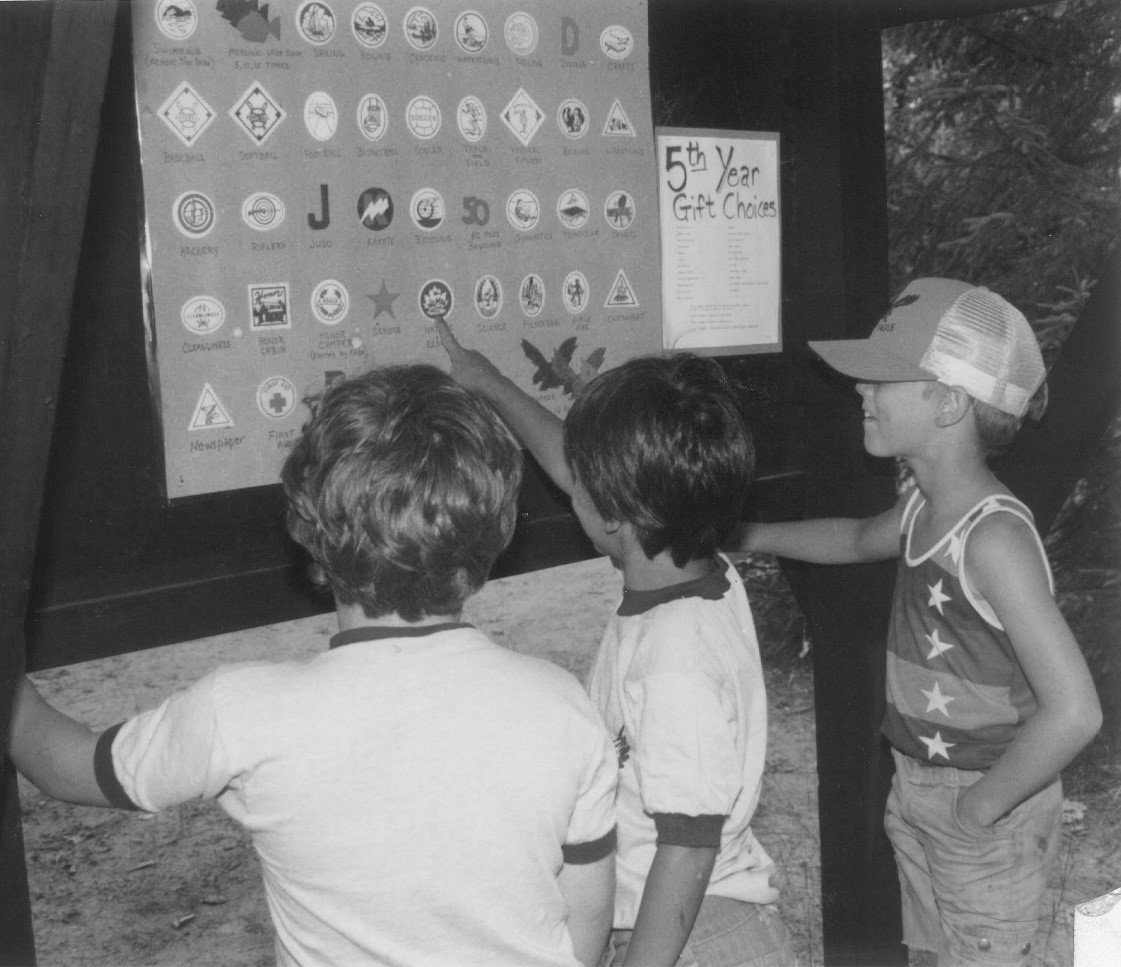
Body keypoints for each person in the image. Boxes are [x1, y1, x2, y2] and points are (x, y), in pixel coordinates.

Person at [9, 364, 618, 967]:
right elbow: (586, 929)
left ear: (308, 528)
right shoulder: (562, 705)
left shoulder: (240, 712)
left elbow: (63, 766)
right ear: (497, 529)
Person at [738, 278, 1102, 966]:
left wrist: (977, 810)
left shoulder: (992, 539)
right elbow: (852, 539)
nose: (860, 390)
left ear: (949, 402)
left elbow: (1075, 711)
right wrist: (747, 533)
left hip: (980, 803)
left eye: (882, 377)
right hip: (918, 785)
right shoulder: (921, 509)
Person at [436, 318, 795, 967]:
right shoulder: (697, 565)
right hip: (689, 917)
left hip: (692, 934)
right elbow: (575, 466)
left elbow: (687, 844)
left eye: (581, 481)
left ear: (612, 512)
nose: (567, 482)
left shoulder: (674, 658)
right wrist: (488, 382)